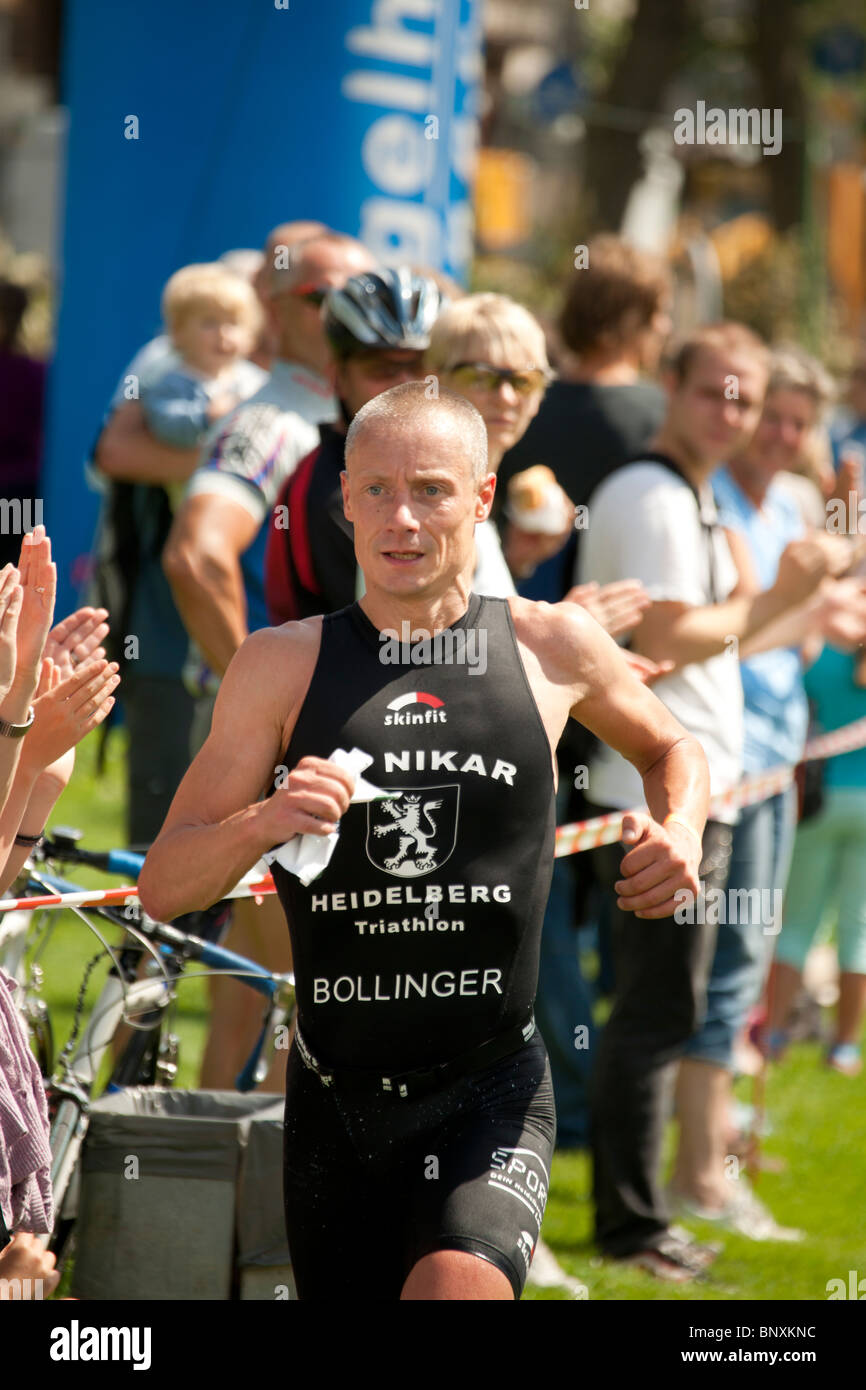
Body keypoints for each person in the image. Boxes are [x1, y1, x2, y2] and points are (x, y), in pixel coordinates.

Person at [140, 381, 712, 1301]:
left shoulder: (550, 645)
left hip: (491, 1089)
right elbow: (165, 887)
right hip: (335, 1096)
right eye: (375, 491)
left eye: (432, 490)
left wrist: (681, 830)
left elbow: (672, 746)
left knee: (455, 1289)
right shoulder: (281, 665)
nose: (401, 518)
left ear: (482, 499)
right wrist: (263, 821)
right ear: (345, 501)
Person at [579, 322, 849, 1279]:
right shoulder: (653, 492)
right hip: (652, 795)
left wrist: (786, 602)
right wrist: (778, 591)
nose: (731, 415)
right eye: (715, 394)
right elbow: (673, 632)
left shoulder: (688, 494)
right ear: (668, 387)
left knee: (674, 1004)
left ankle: (646, 1213)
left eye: (745, 397)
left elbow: (722, 639)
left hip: (698, 789)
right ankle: (630, 1223)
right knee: (654, 1011)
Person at [163, 229, 375, 1090]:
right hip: (280, 750)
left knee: (254, 999)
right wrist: (273, 708)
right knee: (303, 1005)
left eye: (367, 293)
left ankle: (215, 1209)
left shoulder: (333, 419)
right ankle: (283, 1219)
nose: (349, 316)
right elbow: (196, 554)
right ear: (276, 308)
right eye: (325, 298)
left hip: (295, 745)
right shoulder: (275, 419)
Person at [668, 346, 858, 1241]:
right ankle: (700, 1175)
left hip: (781, 760)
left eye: (795, 420)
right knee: (717, 966)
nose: (779, 432)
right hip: (727, 761)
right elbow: (739, 635)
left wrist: (830, 616)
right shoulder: (720, 505)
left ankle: (718, 1159)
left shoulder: (789, 503)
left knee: (745, 961)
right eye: (768, 413)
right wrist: (809, 607)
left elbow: (793, 637)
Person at [265, 266, 443, 623]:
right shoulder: (332, 492)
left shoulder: (442, 464)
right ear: (338, 378)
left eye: (420, 365)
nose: (406, 383)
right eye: (382, 369)